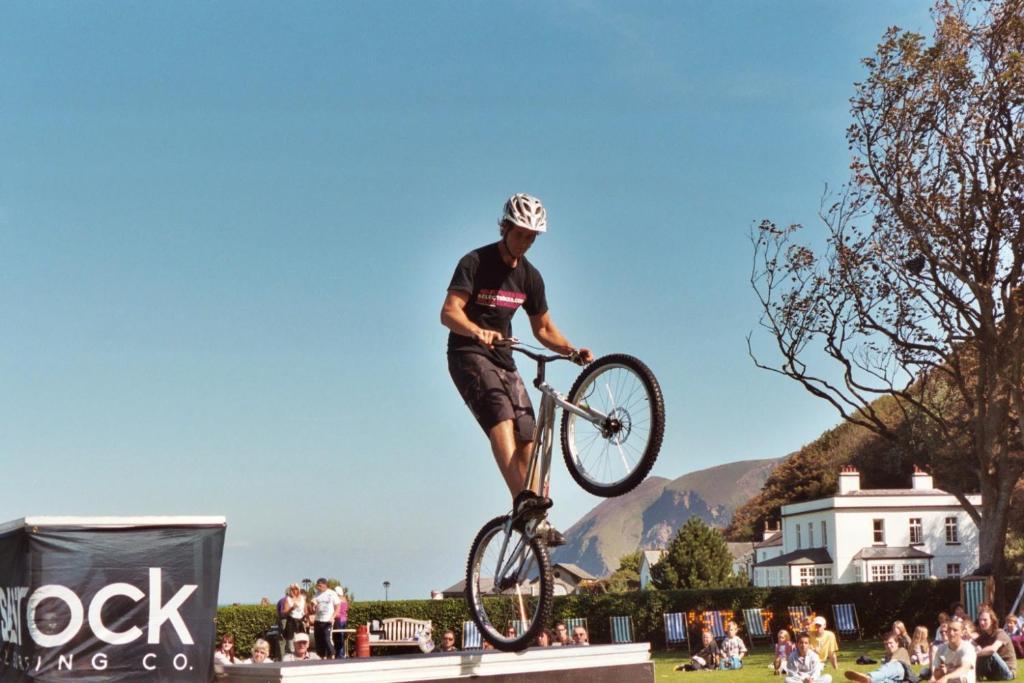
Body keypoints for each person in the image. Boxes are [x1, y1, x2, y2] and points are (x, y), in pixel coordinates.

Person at [441, 192, 594, 547]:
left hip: (504, 357)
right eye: (520, 233)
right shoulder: (475, 262)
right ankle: (521, 500)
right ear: (505, 227)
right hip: (467, 353)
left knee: (529, 434)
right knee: (502, 416)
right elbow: (448, 312)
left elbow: (543, 330)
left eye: (532, 237)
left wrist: (571, 350)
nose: (525, 242)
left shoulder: (530, 277)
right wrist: (477, 330)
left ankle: (533, 520)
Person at [842, 631, 914, 682]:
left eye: (890, 643)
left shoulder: (901, 650)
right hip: (896, 681)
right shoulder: (886, 656)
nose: (888, 646)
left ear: (897, 643)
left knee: (892, 666)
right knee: (881, 680)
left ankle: (868, 677)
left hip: (902, 674)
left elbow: (890, 666)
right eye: (886, 644)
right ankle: (865, 680)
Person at [973, 605, 1016, 681]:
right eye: (980, 620)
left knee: (989, 652)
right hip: (993, 673)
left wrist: (976, 653)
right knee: (978, 650)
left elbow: (993, 649)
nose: (982, 622)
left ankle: (975, 676)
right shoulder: (984, 636)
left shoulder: (1000, 633)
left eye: (985, 620)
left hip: (1007, 672)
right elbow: (971, 644)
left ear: (992, 620)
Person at [310, 578, 341, 659]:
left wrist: (333, 616)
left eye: (320, 585)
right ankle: (322, 656)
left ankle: (332, 655)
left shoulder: (332, 593)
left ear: (325, 585)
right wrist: (312, 606)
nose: (318, 587)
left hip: (327, 620)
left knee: (327, 638)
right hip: (318, 620)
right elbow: (313, 608)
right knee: (319, 639)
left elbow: (338, 606)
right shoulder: (316, 594)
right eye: (317, 585)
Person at [282, 583, 306, 655]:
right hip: (291, 621)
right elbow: (284, 612)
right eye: (292, 589)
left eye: (295, 589)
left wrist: (306, 618)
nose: (294, 591)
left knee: (301, 639)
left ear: (298, 589)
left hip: (300, 621)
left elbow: (305, 610)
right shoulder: (288, 599)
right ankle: (291, 656)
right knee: (291, 641)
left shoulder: (302, 598)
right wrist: (292, 608)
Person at [332, 585, 349, 659]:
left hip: (338, 620)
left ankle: (339, 654)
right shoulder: (345, 599)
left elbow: (335, 610)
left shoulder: (337, 600)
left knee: (338, 637)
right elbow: (346, 610)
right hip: (344, 620)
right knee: (342, 637)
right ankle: (342, 653)